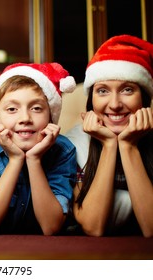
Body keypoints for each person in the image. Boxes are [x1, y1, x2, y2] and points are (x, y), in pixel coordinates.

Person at [0, 62, 77, 235]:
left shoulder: (63, 150)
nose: (25, 118)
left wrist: (33, 160)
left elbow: (51, 226)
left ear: (51, 116)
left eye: (36, 108)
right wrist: (15, 159)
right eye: (12, 109)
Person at [66, 35, 153, 237]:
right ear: (91, 101)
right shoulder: (72, 145)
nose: (114, 104)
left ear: (145, 99)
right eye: (103, 91)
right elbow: (93, 226)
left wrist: (128, 146)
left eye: (127, 90)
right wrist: (108, 145)